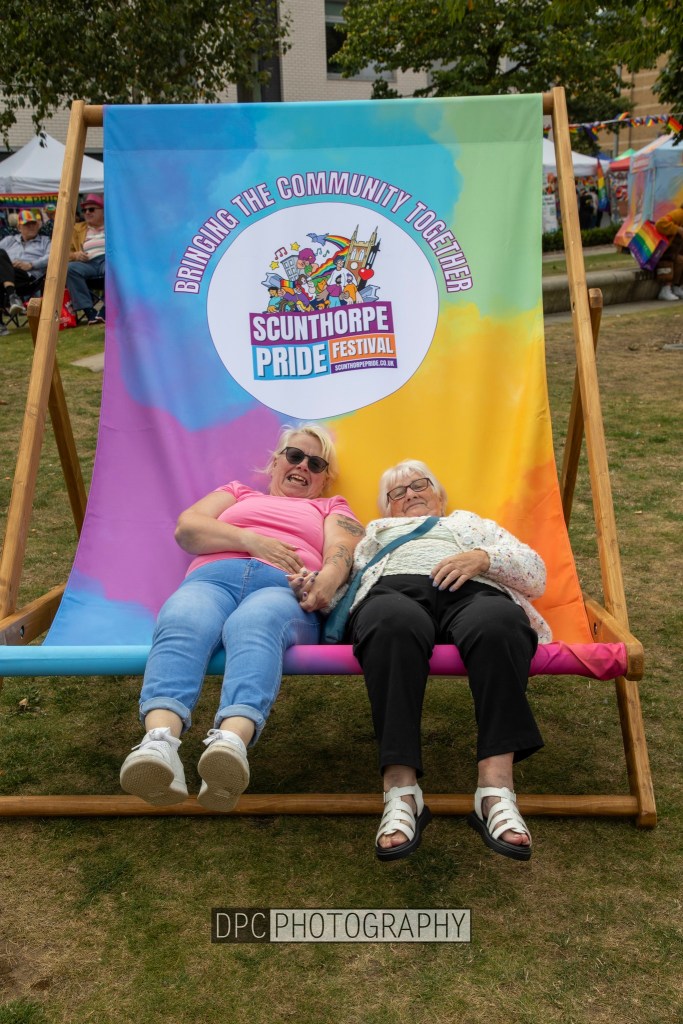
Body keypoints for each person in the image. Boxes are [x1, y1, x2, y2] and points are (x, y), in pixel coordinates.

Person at [120, 423, 364, 810]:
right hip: (213, 578)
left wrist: (326, 583)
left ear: (324, 479)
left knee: (253, 624)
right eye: (295, 456)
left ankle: (230, 743)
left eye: (316, 463)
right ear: (275, 462)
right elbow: (189, 529)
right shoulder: (237, 493)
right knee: (184, 617)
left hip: (283, 587)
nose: (303, 466)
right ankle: (159, 745)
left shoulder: (330, 507)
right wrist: (253, 540)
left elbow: (343, 550)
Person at [335, 460, 550, 863]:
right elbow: (343, 582)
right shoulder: (375, 535)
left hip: (473, 591)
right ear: (386, 509)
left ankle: (495, 791)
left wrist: (482, 559)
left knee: (500, 623)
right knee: (390, 625)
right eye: (397, 493)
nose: (411, 494)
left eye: (420, 485)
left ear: (441, 495)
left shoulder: (473, 526)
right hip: (394, 592)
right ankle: (401, 793)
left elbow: (536, 574)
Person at [0, 209, 51, 335]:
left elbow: (52, 256)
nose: (31, 226)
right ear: (19, 227)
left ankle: (1, 322)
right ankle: (13, 296)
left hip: (29, 278)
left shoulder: (45, 241)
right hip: (9, 275)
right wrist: (8, 264)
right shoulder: (9, 240)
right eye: (27, 224)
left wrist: (30, 264)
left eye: (34, 223)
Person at [67, 193, 105, 324]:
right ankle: (89, 311)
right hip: (87, 263)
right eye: (84, 210)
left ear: (103, 211)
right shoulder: (77, 229)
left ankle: (107, 308)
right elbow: (65, 253)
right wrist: (75, 255)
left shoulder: (113, 227)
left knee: (116, 267)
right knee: (69, 268)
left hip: (108, 261)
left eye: (92, 209)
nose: (87, 212)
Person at [654, 204, 683, 302]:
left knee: (680, 260)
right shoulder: (678, 214)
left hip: (677, 251)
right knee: (667, 263)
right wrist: (677, 229)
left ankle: (677, 286)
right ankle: (665, 289)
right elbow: (660, 223)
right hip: (666, 250)